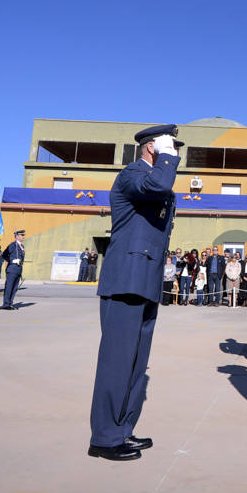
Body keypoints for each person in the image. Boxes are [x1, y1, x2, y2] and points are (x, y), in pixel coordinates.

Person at [88, 124, 182, 462]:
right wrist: (165, 161)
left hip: (145, 279)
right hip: (126, 278)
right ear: (151, 148)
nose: (177, 154)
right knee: (117, 361)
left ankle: (122, 429)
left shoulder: (155, 180)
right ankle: (104, 436)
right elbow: (157, 184)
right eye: (171, 147)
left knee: (136, 364)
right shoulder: (132, 174)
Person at [0, 230, 26, 310]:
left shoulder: (22, 246)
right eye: (21, 235)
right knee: (9, 287)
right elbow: (4, 255)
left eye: (23, 235)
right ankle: (6, 304)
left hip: (18, 269)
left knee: (14, 288)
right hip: (12, 269)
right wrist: (12, 260)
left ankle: (10, 303)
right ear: (17, 236)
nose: (23, 236)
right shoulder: (13, 245)